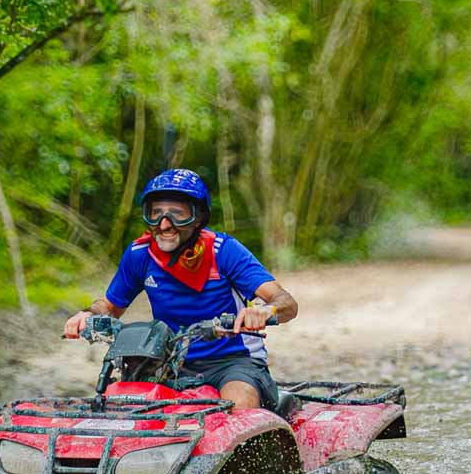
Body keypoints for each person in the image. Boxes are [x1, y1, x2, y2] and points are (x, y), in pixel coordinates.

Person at [62, 169, 298, 411]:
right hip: (166, 361)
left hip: (232, 361)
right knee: (120, 406)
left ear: (198, 218)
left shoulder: (224, 251)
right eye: (156, 214)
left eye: (177, 215)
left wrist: (265, 311)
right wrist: (88, 314)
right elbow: (110, 306)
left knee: (239, 404)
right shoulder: (140, 254)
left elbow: (286, 302)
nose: (165, 225)